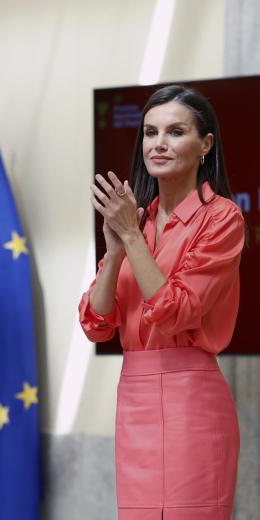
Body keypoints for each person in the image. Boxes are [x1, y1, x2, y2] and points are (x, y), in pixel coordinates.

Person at [79, 85, 243, 520]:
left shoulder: (222, 216)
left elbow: (177, 310)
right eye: (150, 133)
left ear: (205, 144)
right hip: (134, 398)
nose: (159, 144)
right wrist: (116, 252)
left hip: (192, 400)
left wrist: (131, 238)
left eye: (175, 132)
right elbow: (96, 322)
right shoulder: (139, 219)